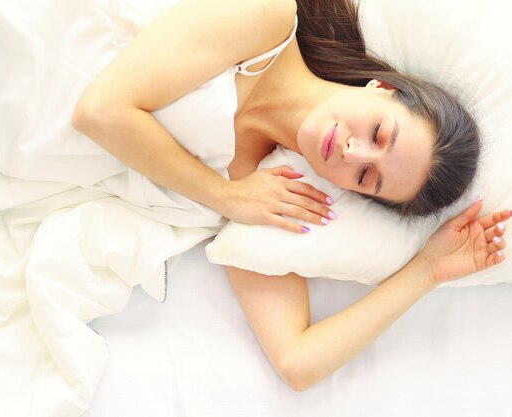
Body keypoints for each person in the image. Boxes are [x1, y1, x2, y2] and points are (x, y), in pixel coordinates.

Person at [72, 0, 510, 390]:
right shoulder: (267, 17)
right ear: (382, 87)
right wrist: (221, 196)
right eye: (379, 132)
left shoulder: (266, 191)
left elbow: (297, 362)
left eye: (365, 176)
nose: (351, 150)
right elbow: (99, 111)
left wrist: (427, 272)